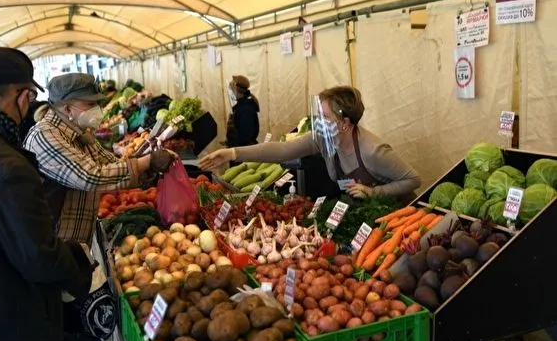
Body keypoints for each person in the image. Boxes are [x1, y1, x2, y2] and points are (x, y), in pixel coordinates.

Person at [0, 47, 92, 341]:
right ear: (20, 95)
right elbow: (39, 257)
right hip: (13, 333)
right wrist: (81, 264)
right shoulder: (5, 165)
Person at [24, 73, 174, 244]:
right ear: (67, 109)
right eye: (90, 104)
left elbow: (111, 163)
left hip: (74, 242)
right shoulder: (44, 136)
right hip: (51, 244)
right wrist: (145, 162)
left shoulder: (80, 131)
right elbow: (90, 177)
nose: (98, 109)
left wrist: (148, 166)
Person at [201, 86, 421, 203]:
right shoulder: (324, 138)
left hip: (394, 216)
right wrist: (232, 153)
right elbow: (282, 150)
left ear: (344, 123)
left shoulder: (374, 151)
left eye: (324, 116)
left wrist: (374, 193)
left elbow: (413, 180)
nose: (318, 121)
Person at [225, 75, 260, 148]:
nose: (229, 92)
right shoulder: (241, 106)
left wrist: (231, 145)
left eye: (230, 90)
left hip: (244, 154)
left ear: (236, 90)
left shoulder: (245, 110)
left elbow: (245, 138)